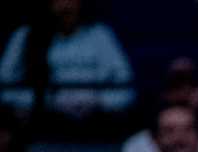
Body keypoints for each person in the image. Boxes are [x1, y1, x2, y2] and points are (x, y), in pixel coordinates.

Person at [0, 0, 134, 125]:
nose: (66, 6)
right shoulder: (25, 35)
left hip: (97, 122)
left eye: (71, 1)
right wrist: (43, 101)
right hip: (42, 123)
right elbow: (5, 87)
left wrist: (98, 100)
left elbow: (126, 84)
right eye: (59, 1)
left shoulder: (100, 34)